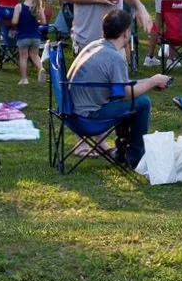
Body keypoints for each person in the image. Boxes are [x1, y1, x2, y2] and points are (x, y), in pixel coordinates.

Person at [64, 9, 171, 166]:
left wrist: (151, 81)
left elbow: (121, 85)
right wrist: (150, 83)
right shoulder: (115, 58)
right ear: (126, 33)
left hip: (71, 113)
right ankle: (135, 156)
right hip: (88, 117)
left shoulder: (94, 46)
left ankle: (122, 153)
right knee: (143, 103)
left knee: (131, 101)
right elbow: (124, 93)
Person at [13, 0, 47, 83]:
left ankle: (24, 79)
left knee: (23, 57)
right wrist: (37, 21)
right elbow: (44, 22)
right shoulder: (38, 7)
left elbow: (14, 21)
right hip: (35, 37)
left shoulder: (19, 7)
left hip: (23, 36)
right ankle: (40, 68)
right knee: (35, 55)